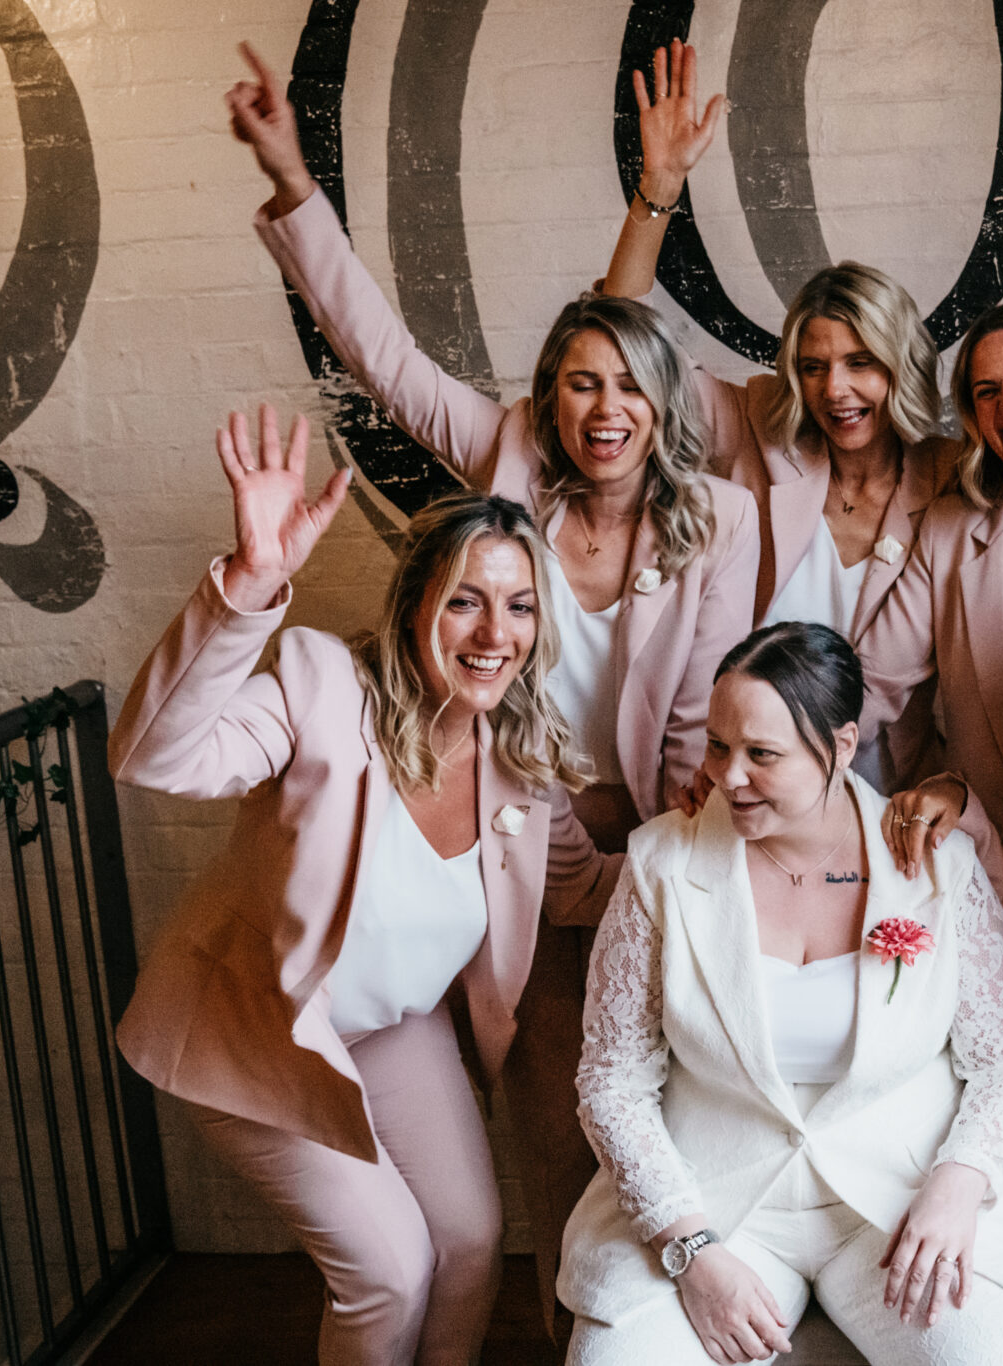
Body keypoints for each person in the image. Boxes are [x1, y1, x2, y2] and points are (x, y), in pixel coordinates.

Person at [225, 46, 761, 1320]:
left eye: (629, 386)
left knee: (678, 1120)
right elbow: (384, 356)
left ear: (664, 403)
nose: (604, 407)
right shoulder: (511, 457)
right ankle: (569, 1326)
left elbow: (694, 736)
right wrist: (297, 186)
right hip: (508, 849)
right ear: (550, 400)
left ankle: (675, 1325)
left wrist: (664, 868)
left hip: (653, 851)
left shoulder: (720, 528)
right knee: (545, 1126)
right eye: (580, 384)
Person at [112, 406, 621, 1365]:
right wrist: (250, 585)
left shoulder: (518, 759)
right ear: (415, 600)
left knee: (472, 1247)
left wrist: (734, 851)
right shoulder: (320, 689)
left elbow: (582, 887)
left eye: (519, 608)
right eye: (467, 599)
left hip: (395, 1027)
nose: (493, 633)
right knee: (390, 1272)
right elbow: (153, 756)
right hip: (259, 1029)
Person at [563, 623, 1003, 1365]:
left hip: (902, 1198)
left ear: (842, 745)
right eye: (719, 746)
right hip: (714, 1204)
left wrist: (958, 1181)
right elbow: (611, 1080)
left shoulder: (936, 863)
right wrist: (690, 1248)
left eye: (762, 755)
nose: (728, 778)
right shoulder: (662, 862)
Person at [604, 40, 957, 788]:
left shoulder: (950, 476)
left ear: (900, 365)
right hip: (735, 779)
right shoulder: (762, 423)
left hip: (879, 792)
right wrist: (658, 186)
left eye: (862, 363)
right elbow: (624, 343)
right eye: (814, 366)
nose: (836, 390)